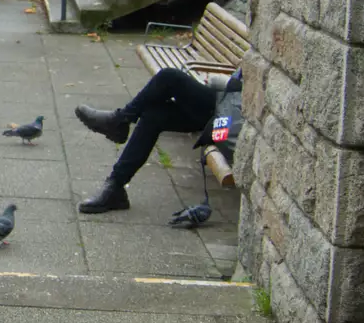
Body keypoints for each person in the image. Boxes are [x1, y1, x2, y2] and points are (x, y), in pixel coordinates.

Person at [73, 67, 243, 214]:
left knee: (169, 77)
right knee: (153, 116)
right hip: (225, 107)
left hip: (227, 116)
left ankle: (119, 121)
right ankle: (115, 187)